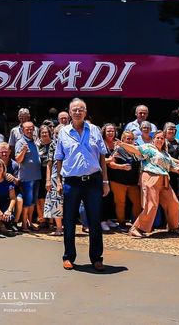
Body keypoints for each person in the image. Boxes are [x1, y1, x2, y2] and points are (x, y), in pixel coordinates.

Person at [54, 98, 110, 272]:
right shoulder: (63, 132)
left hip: (93, 181)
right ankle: (69, 257)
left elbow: (102, 157)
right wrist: (59, 181)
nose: (77, 112)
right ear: (69, 113)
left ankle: (96, 258)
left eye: (81, 109)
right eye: (74, 110)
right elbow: (58, 158)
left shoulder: (94, 130)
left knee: (94, 221)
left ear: (85, 112)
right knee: (69, 221)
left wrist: (105, 181)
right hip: (71, 182)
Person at [117, 131, 179, 237]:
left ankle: (173, 227)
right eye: (158, 138)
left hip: (164, 180)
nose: (160, 140)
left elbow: (175, 168)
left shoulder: (165, 154)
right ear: (154, 139)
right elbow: (136, 150)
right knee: (151, 205)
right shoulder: (148, 148)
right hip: (150, 177)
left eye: (162, 138)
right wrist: (122, 144)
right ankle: (136, 228)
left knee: (173, 203)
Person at [106, 130, 141, 231]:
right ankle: (121, 224)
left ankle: (136, 223)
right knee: (120, 203)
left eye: (131, 139)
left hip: (133, 182)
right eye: (127, 139)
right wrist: (121, 167)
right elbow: (111, 163)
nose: (130, 141)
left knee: (137, 202)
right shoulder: (118, 150)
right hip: (118, 181)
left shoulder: (136, 150)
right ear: (123, 139)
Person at [15, 121, 42, 232]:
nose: (30, 131)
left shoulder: (35, 142)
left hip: (36, 176)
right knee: (27, 202)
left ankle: (30, 222)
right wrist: (24, 151)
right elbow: (18, 160)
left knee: (32, 202)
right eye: (27, 129)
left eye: (31, 129)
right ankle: (24, 225)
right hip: (27, 178)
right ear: (23, 130)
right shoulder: (20, 142)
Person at [43, 126, 64, 235]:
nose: (58, 135)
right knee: (56, 202)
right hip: (55, 176)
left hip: (69, 175)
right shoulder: (53, 144)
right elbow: (49, 164)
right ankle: (59, 228)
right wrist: (48, 180)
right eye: (56, 133)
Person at [35, 123, 54, 230]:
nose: (44, 134)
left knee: (51, 198)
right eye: (42, 132)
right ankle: (42, 219)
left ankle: (51, 220)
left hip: (52, 174)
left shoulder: (54, 144)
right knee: (40, 197)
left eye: (46, 132)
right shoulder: (37, 146)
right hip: (39, 173)